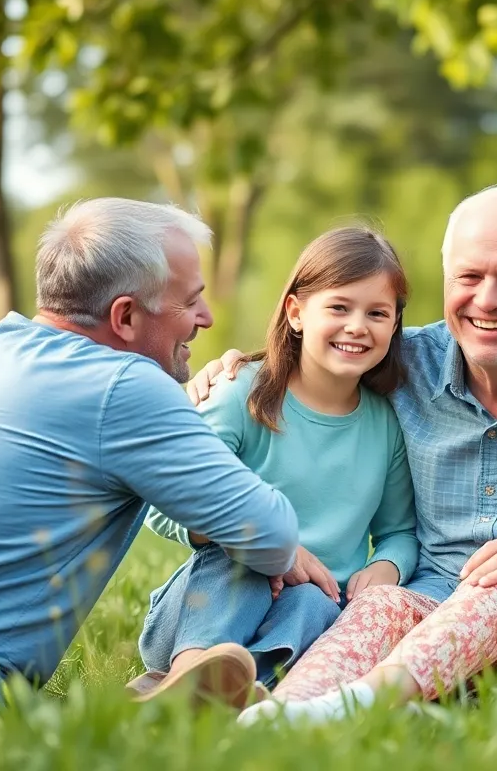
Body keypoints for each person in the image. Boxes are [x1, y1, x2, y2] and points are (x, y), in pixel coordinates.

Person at [188, 186, 497, 724]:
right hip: (430, 616)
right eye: (470, 278)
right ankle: (288, 716)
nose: (488, 299)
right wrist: (235, 372)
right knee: (378, 606)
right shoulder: (400, 362)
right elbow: (315, 359)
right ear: (447, 278)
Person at [0, 198, 300, 733]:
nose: (207, 318)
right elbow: (269, 534)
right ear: (125, 316)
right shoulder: (126, 384)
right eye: (190, 302)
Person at [128, 227, 418, 703]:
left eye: (377, 313)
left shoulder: (385, 425)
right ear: (297, 312)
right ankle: (185, 674)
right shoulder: (242, 393)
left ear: (394, 326)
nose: (357, 326)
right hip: (199, 613)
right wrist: (271, 544)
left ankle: (248, 691)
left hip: (301, 614)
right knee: (243, 560)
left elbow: (399, 531)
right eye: (339, 307)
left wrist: (387, 565)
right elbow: (163, 504)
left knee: (316, 601)